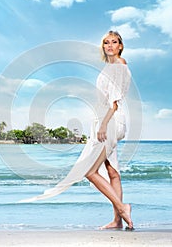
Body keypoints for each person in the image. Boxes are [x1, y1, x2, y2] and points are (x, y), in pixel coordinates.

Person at [19, 30, 133, 230]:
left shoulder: (118, 66)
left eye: (114, 42)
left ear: (120, 46)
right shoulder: (111, 67)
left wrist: (104, 125)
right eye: (106, 43)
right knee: (112, 172)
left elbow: (113, 103)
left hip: (111, 122)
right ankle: (117, 221)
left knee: (90, 171)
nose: (110, 46)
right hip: (113, 120)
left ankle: (123, 208)